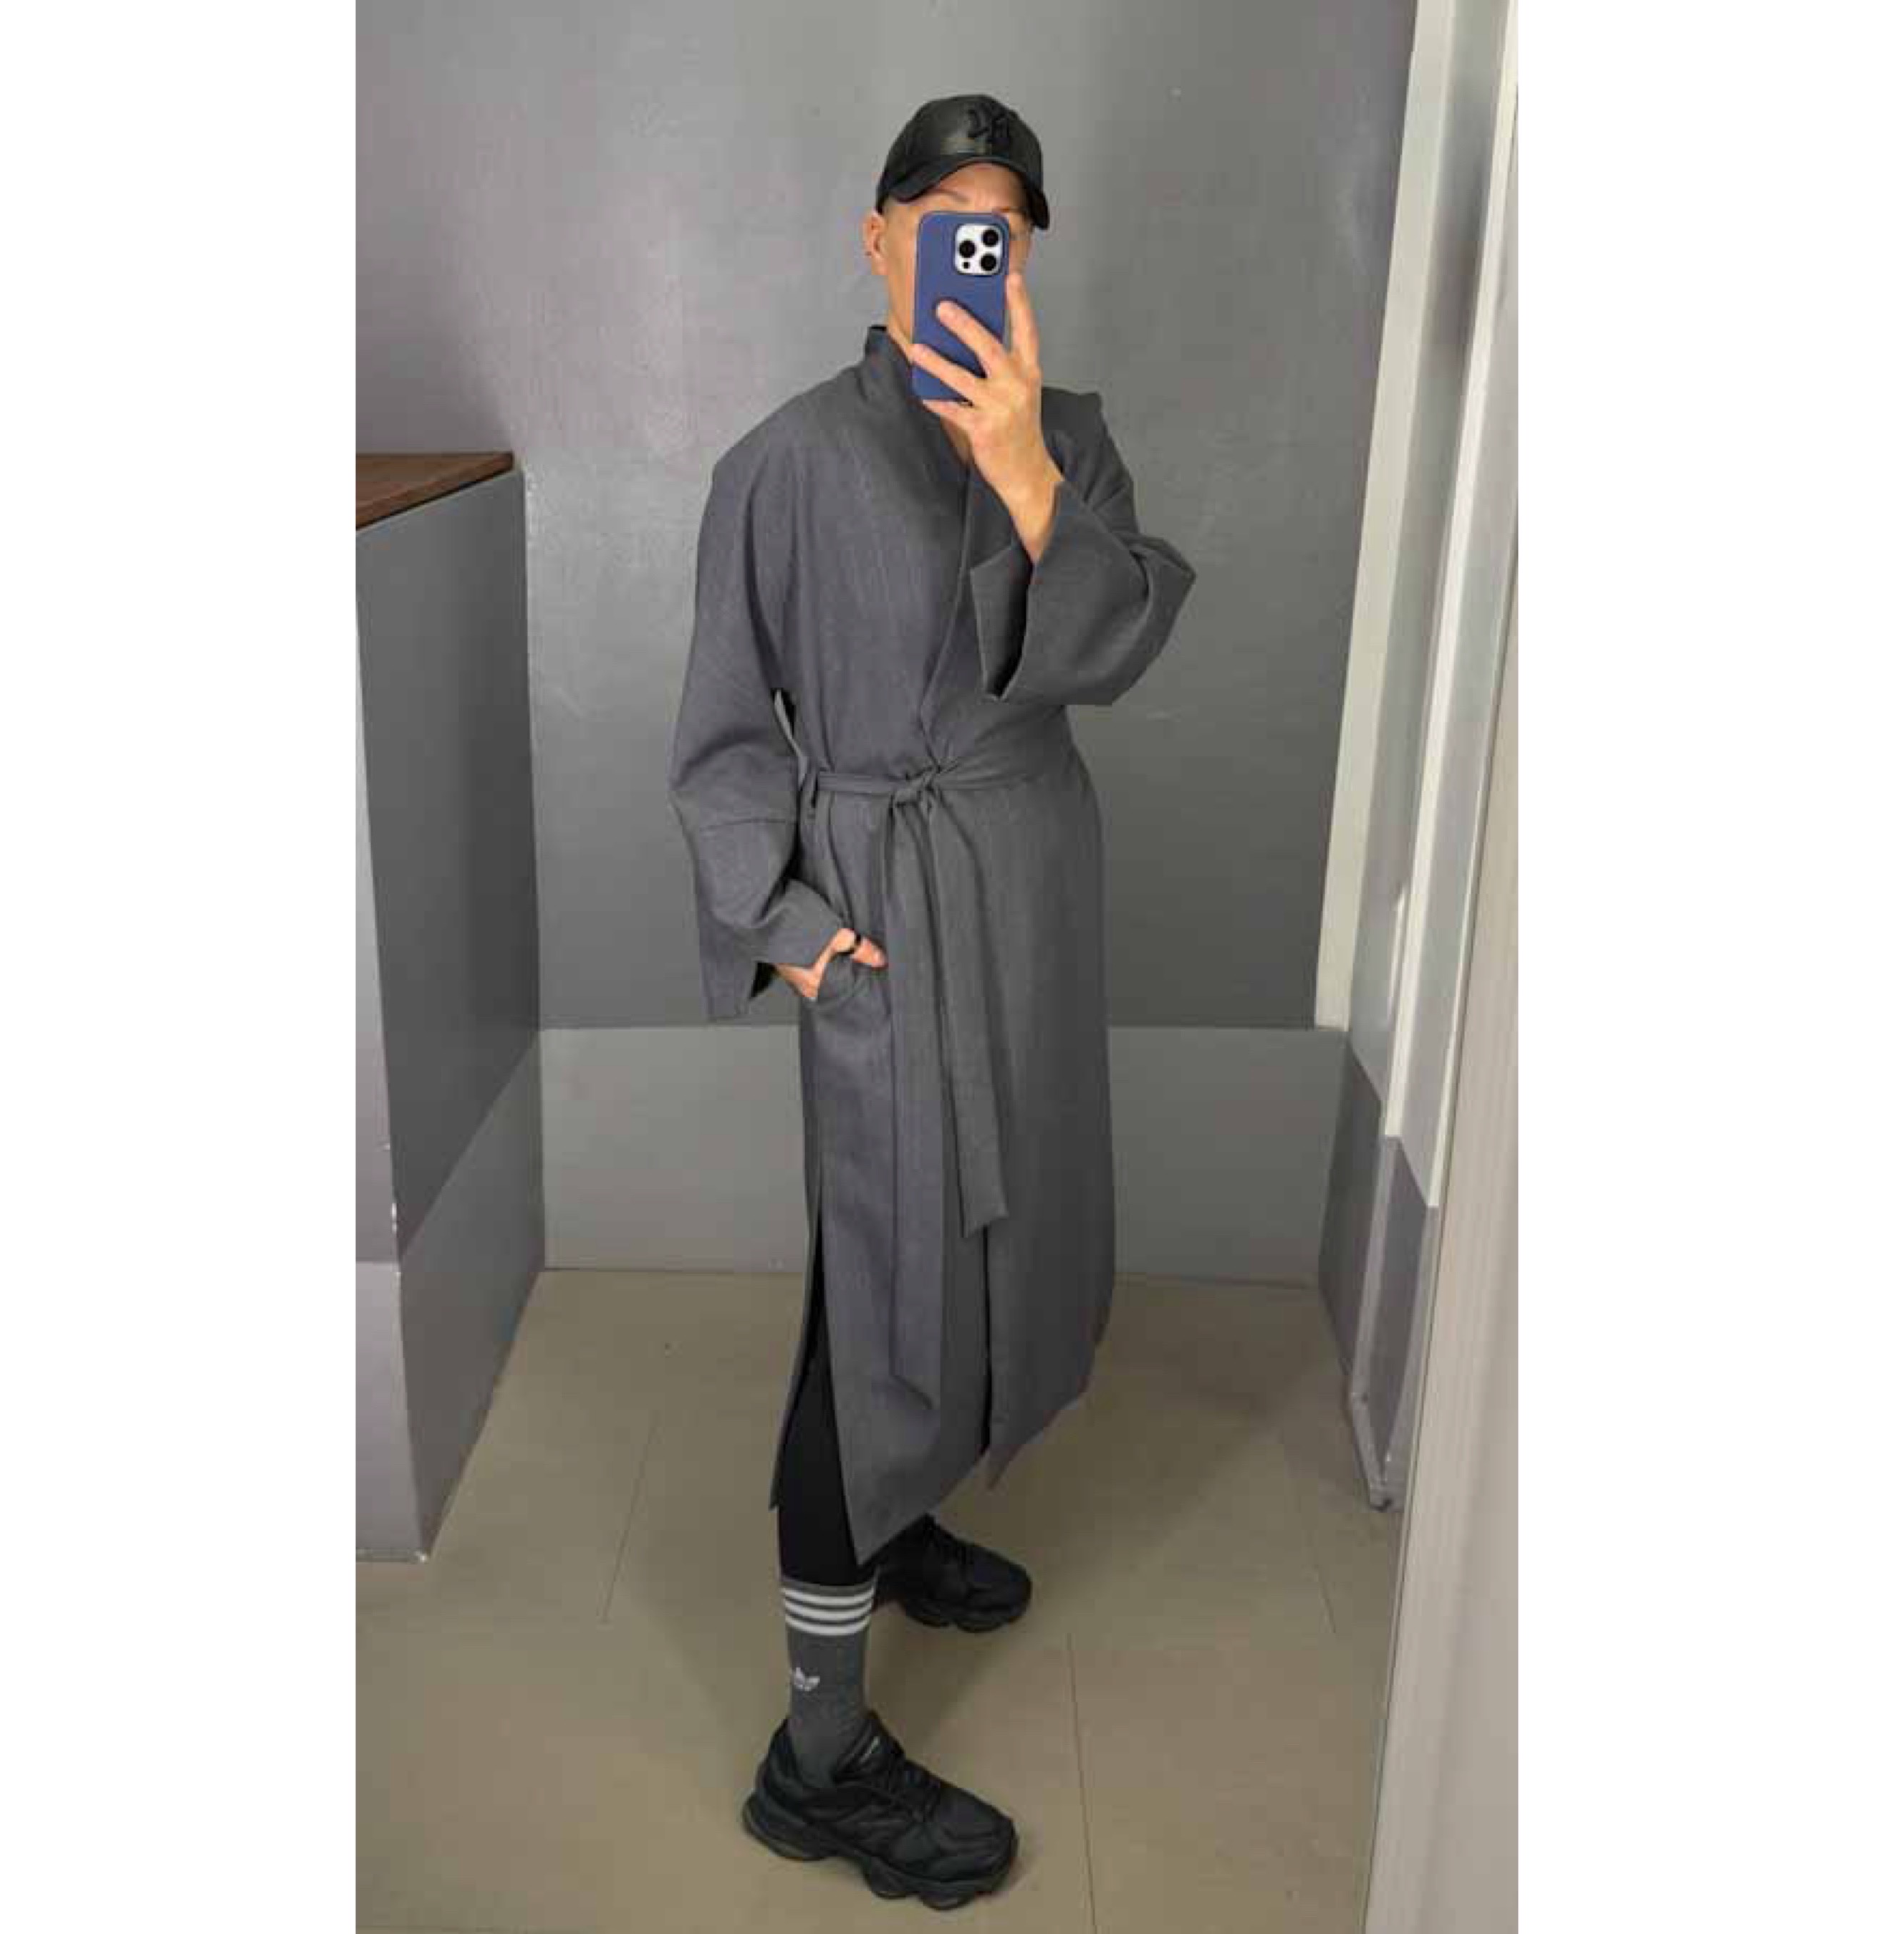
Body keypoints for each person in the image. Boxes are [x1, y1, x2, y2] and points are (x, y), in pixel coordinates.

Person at [665, 92, 1198, 1907]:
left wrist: (1029, 471)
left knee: (997, 1227)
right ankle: (818, 1758)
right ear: (880, 237)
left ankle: (898, 1526)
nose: (980, 245)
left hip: (1028, 899)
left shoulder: (1076, 439)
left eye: (1007, 228)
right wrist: (794, 925)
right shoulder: (782, 464)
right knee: (887, 1281)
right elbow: (726, 735)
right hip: (888, 915)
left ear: (1024, 255)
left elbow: (1118, 646)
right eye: (947, 216)